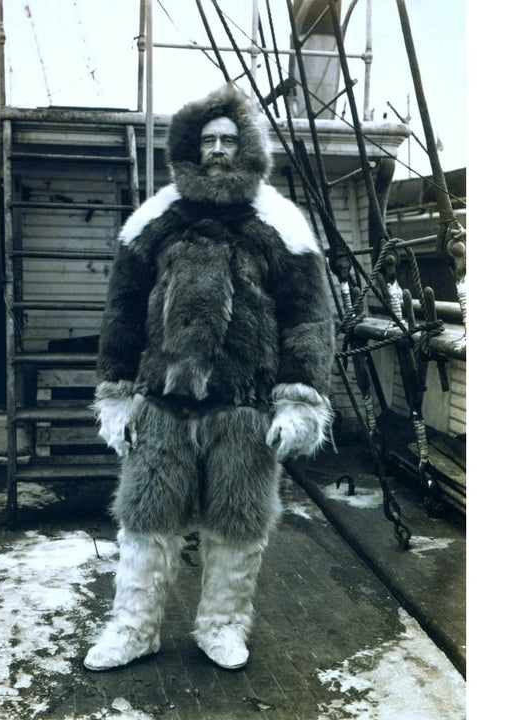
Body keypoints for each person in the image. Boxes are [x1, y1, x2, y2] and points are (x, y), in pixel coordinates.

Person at [84, 84, 335, 672]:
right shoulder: (156, 219)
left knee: (238, 523)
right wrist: (116, 395)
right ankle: (134, 628)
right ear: (190, 149)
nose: (219, 150)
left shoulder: (280, 221)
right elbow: (122, 312)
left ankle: (221, 625)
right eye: (208, 141)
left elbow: (308, 319)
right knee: (145, 521)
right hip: (161, 406)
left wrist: (299, 400)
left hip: (243, 408)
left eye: (229, 139)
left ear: (246, 146)